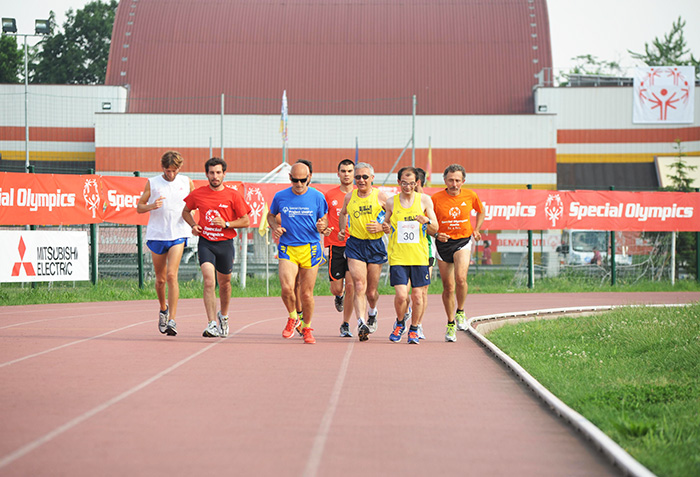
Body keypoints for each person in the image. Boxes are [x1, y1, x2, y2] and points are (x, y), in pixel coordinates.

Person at [181, 157, 251, 337]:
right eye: (211, 173)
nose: (215, 176)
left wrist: (227, 224)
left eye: (218, 172)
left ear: (224, 174)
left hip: (225, 244)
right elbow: (186, 212)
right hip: (206, 243)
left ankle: (224, 316)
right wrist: (193, 226)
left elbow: (245, 220)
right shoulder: (198, 194)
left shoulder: (233, 195)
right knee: (208, 280)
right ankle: (211, 323)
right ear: (206, 174)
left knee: (225, 284)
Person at [267, 161, 328, 344]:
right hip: (288, 247)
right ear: (290, 178)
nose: (299, 184)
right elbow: (271, 215)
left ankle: (307, 326)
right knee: (287, 288)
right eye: (295, 180)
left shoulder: (317, 197)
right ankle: (293, 317)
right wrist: (275, 227)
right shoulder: (280, 196)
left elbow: (323, 220)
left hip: (310, 248)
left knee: (306, 294)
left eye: (303, 180)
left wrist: (322, 226)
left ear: (309, 177)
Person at [137, 151, 195, 336]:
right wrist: (151, 206)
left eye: (174, 171)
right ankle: (163, 308)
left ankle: (172, 320)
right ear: (162, 168)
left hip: (178, 233)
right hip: (157, 234)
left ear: (180, 168)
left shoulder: (186, 182)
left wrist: (196, 223)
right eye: (168, 171)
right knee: (160, 279)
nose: (171, 174)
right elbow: (139, 207)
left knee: (172, 275)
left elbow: (196, 203)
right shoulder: (152, 183)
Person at [382, 167, 438, 344]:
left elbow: (435, 228)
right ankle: (400, 323)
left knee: (418, 295)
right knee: (401, 295)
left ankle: (414, 329)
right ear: (399, 182)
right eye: (404, 183)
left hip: (419, 256)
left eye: (411, 183)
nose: (408, 187)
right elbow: (385, 222)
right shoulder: (391, 202)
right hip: (398, 255)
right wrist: (384, 227)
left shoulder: (424, 201)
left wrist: (426, 220)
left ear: (417, 183)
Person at [432, 164, 485, 342]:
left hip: (463, 240)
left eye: (457, 180)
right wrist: (436, 234)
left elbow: (481, 211)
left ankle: (460, 311)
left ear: (463, 181)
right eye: (451, 180)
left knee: (461, 278)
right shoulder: (435, 198)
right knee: (448, 287)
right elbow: (428, 221)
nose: (454, 184)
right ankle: (450, 323)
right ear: (444, 180)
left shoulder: (470, 195)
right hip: (443, 244)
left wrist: (476, 229)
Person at [338, 162, 388, 341]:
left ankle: (372, 313)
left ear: (372, 179)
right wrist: (342, 230)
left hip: (375, 246)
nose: (361, 180)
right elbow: (343, 213)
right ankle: (361, 322)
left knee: (371, 292)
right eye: (357, 177)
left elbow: (393, 221)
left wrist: (382, 227)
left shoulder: (381, 197)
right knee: (359, 284)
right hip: (355, 245)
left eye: (365, 177)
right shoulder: (349, 197)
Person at [323, 159, 356, 337]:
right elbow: (324, 216)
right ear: (338, 173)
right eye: (343, 171)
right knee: (338, 288)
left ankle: (345, 324)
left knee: (351, 285)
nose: (346, 174)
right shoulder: (329, 195)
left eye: (349, 171)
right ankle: (338, 296)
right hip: (336, 244)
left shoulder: (361, 194)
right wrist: (325, 226)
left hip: (355, 245)